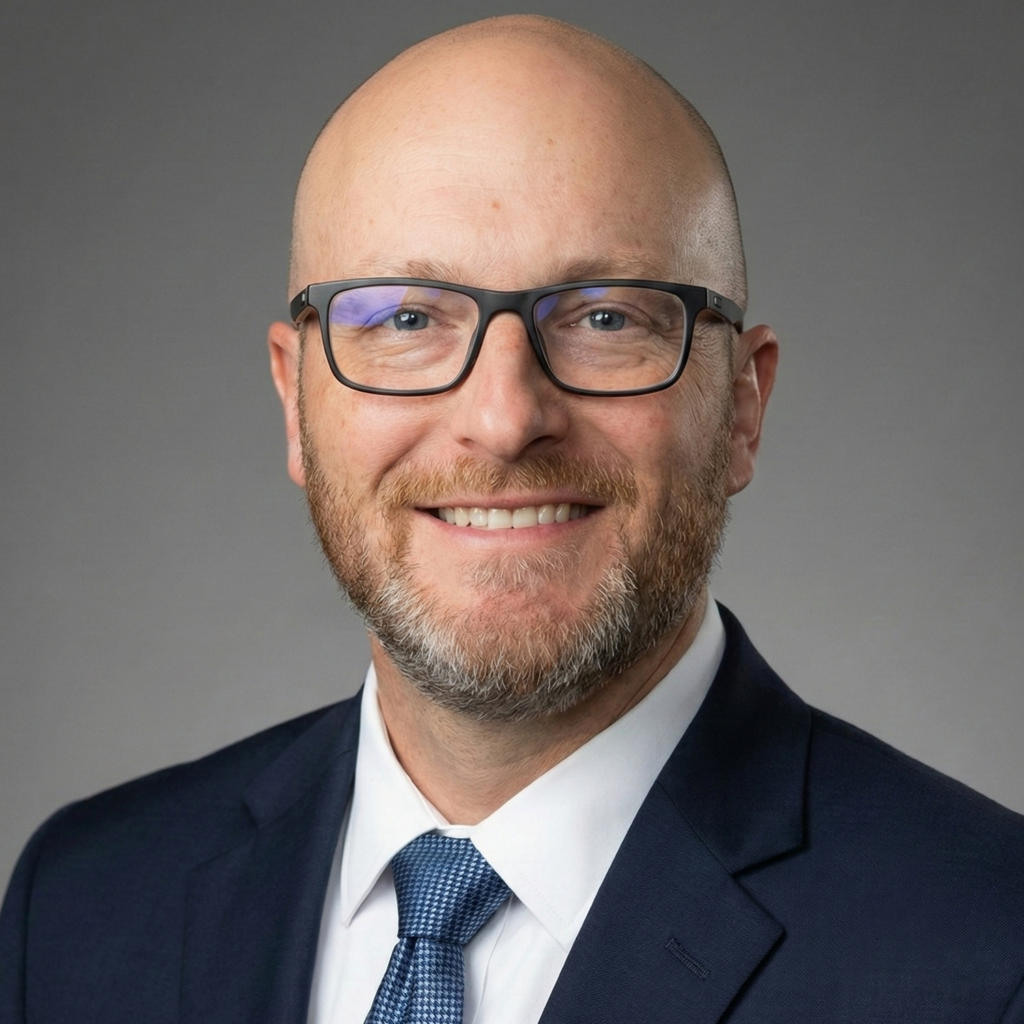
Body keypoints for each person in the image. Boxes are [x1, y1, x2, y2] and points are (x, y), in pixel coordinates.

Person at [2, 14, 1022, 1023]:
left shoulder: (986, 950)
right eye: (405, 317)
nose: (502, 420)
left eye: (606, 316)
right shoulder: (81, 905)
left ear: (743, 409)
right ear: (294, 403)